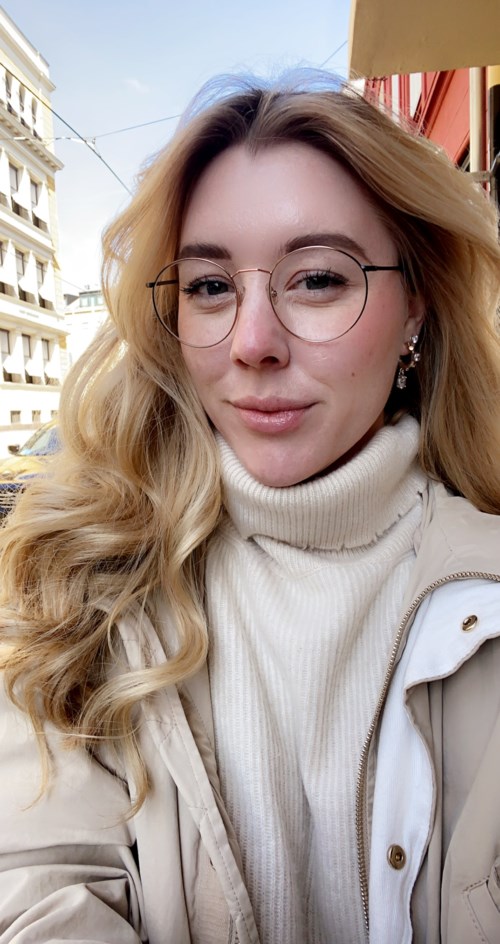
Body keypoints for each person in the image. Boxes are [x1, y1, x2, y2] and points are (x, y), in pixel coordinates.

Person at [0, 70, 499, 944]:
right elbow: (38, 893)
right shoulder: (81, 583)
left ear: (414, 309)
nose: (253, 342)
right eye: (209, 287)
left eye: (318, 279)